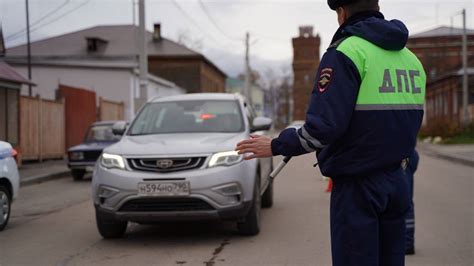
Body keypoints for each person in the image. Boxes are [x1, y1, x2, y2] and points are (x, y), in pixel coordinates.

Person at [235, 0, 426, 265]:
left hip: (359, 186)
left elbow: (323, 128)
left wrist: (277, 145)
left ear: (342, 13)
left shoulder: (346, 52)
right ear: (377, 6)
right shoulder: (410, 59)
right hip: (398, 180)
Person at [406, 150, 419, 255]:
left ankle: (407, 242)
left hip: (403, 158)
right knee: (405, 200)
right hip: (407, 155)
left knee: (404, 201)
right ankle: (408, 242)